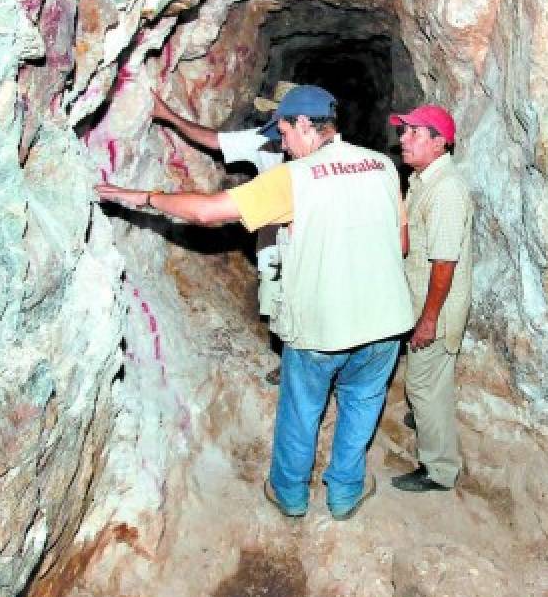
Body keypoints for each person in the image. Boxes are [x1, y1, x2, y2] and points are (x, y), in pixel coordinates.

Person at [96, 85, 414, 520]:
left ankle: (290, 494)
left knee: (302, 411)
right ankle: (344, 493)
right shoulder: (382, 165)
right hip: (386, 322)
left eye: (283, 132)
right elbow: (400, 242)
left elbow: (207, 212)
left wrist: (139, 197)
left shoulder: (294, 178)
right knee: (361, 406)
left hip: (324, 327)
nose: (281, 144)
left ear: (305, 125)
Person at [151, 82, 296, 384]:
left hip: (311, 240)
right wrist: (170, 117)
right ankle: (290, 364)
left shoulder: (322, 159)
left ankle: (314, 366)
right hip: (274, 242)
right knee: (277, 302)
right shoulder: (264, 140)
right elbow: (214, 140)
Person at [389, 105, 474, 494]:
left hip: (435, 312)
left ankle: (440, 469)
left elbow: (444, 264)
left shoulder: (446, 192)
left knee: (425, 386)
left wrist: (427, 321)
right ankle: (428, 422)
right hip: (421, 302)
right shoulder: (423, 180)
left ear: (439, 143)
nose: (403, 139)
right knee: (427, 385)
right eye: (403, 132)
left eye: (413, 133)